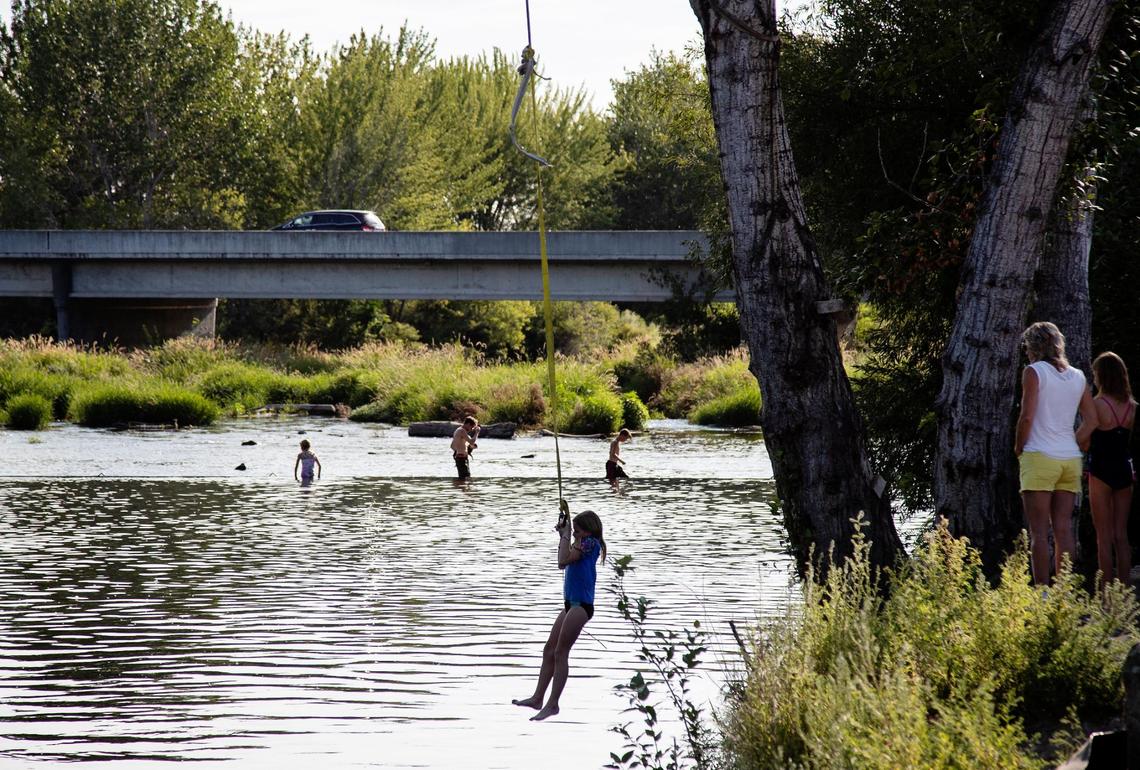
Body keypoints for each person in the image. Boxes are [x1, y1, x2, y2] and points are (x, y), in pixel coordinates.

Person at [1014, 322, 1096, 585]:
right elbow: (1092, 420)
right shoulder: (1078, 376)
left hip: (1039, 455)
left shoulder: (1034, 372)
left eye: (1027, 345)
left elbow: (1026, 417)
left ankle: (1042, 592)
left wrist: (1019, 447)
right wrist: (1072, 441)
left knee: (1038, 531)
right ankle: (1065, 591)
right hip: (1069, 459)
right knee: (1063, 530)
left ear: (1034, 346)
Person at [512, 510, 606, 721]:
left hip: (581, 606)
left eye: (577, 531)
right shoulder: (580, 543)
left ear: (589, 530)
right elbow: (565, 558)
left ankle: (553, 704)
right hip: (569, 605)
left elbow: (562, 561)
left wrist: (565, 536)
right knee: (549, 650)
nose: (574, 535)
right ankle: (538, 698)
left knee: (560, 653)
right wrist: (564, 535)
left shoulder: (590, 543)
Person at [1087, 351, 1136, 586]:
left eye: (1095, 373)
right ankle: (1125, 591)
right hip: (1124, 470)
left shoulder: (1096, 404)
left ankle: (1106, 596)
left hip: (1100, 470)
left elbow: (1085, 440)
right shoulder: (1132, 407)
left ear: (1102, 376)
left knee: (1103, 537)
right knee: (1121, 535)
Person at [451, 416, 479, 480]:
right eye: (472, 427)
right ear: (468, 424)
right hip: (461, 459)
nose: (472, 429)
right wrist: (477, 432)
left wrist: (470, 447)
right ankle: (461, 489)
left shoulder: (460, 431)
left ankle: (461, 488)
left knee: (465, 479)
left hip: (462, 458)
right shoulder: (461, 431)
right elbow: (471, 441)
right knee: (465, 479)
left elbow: (453, 445)